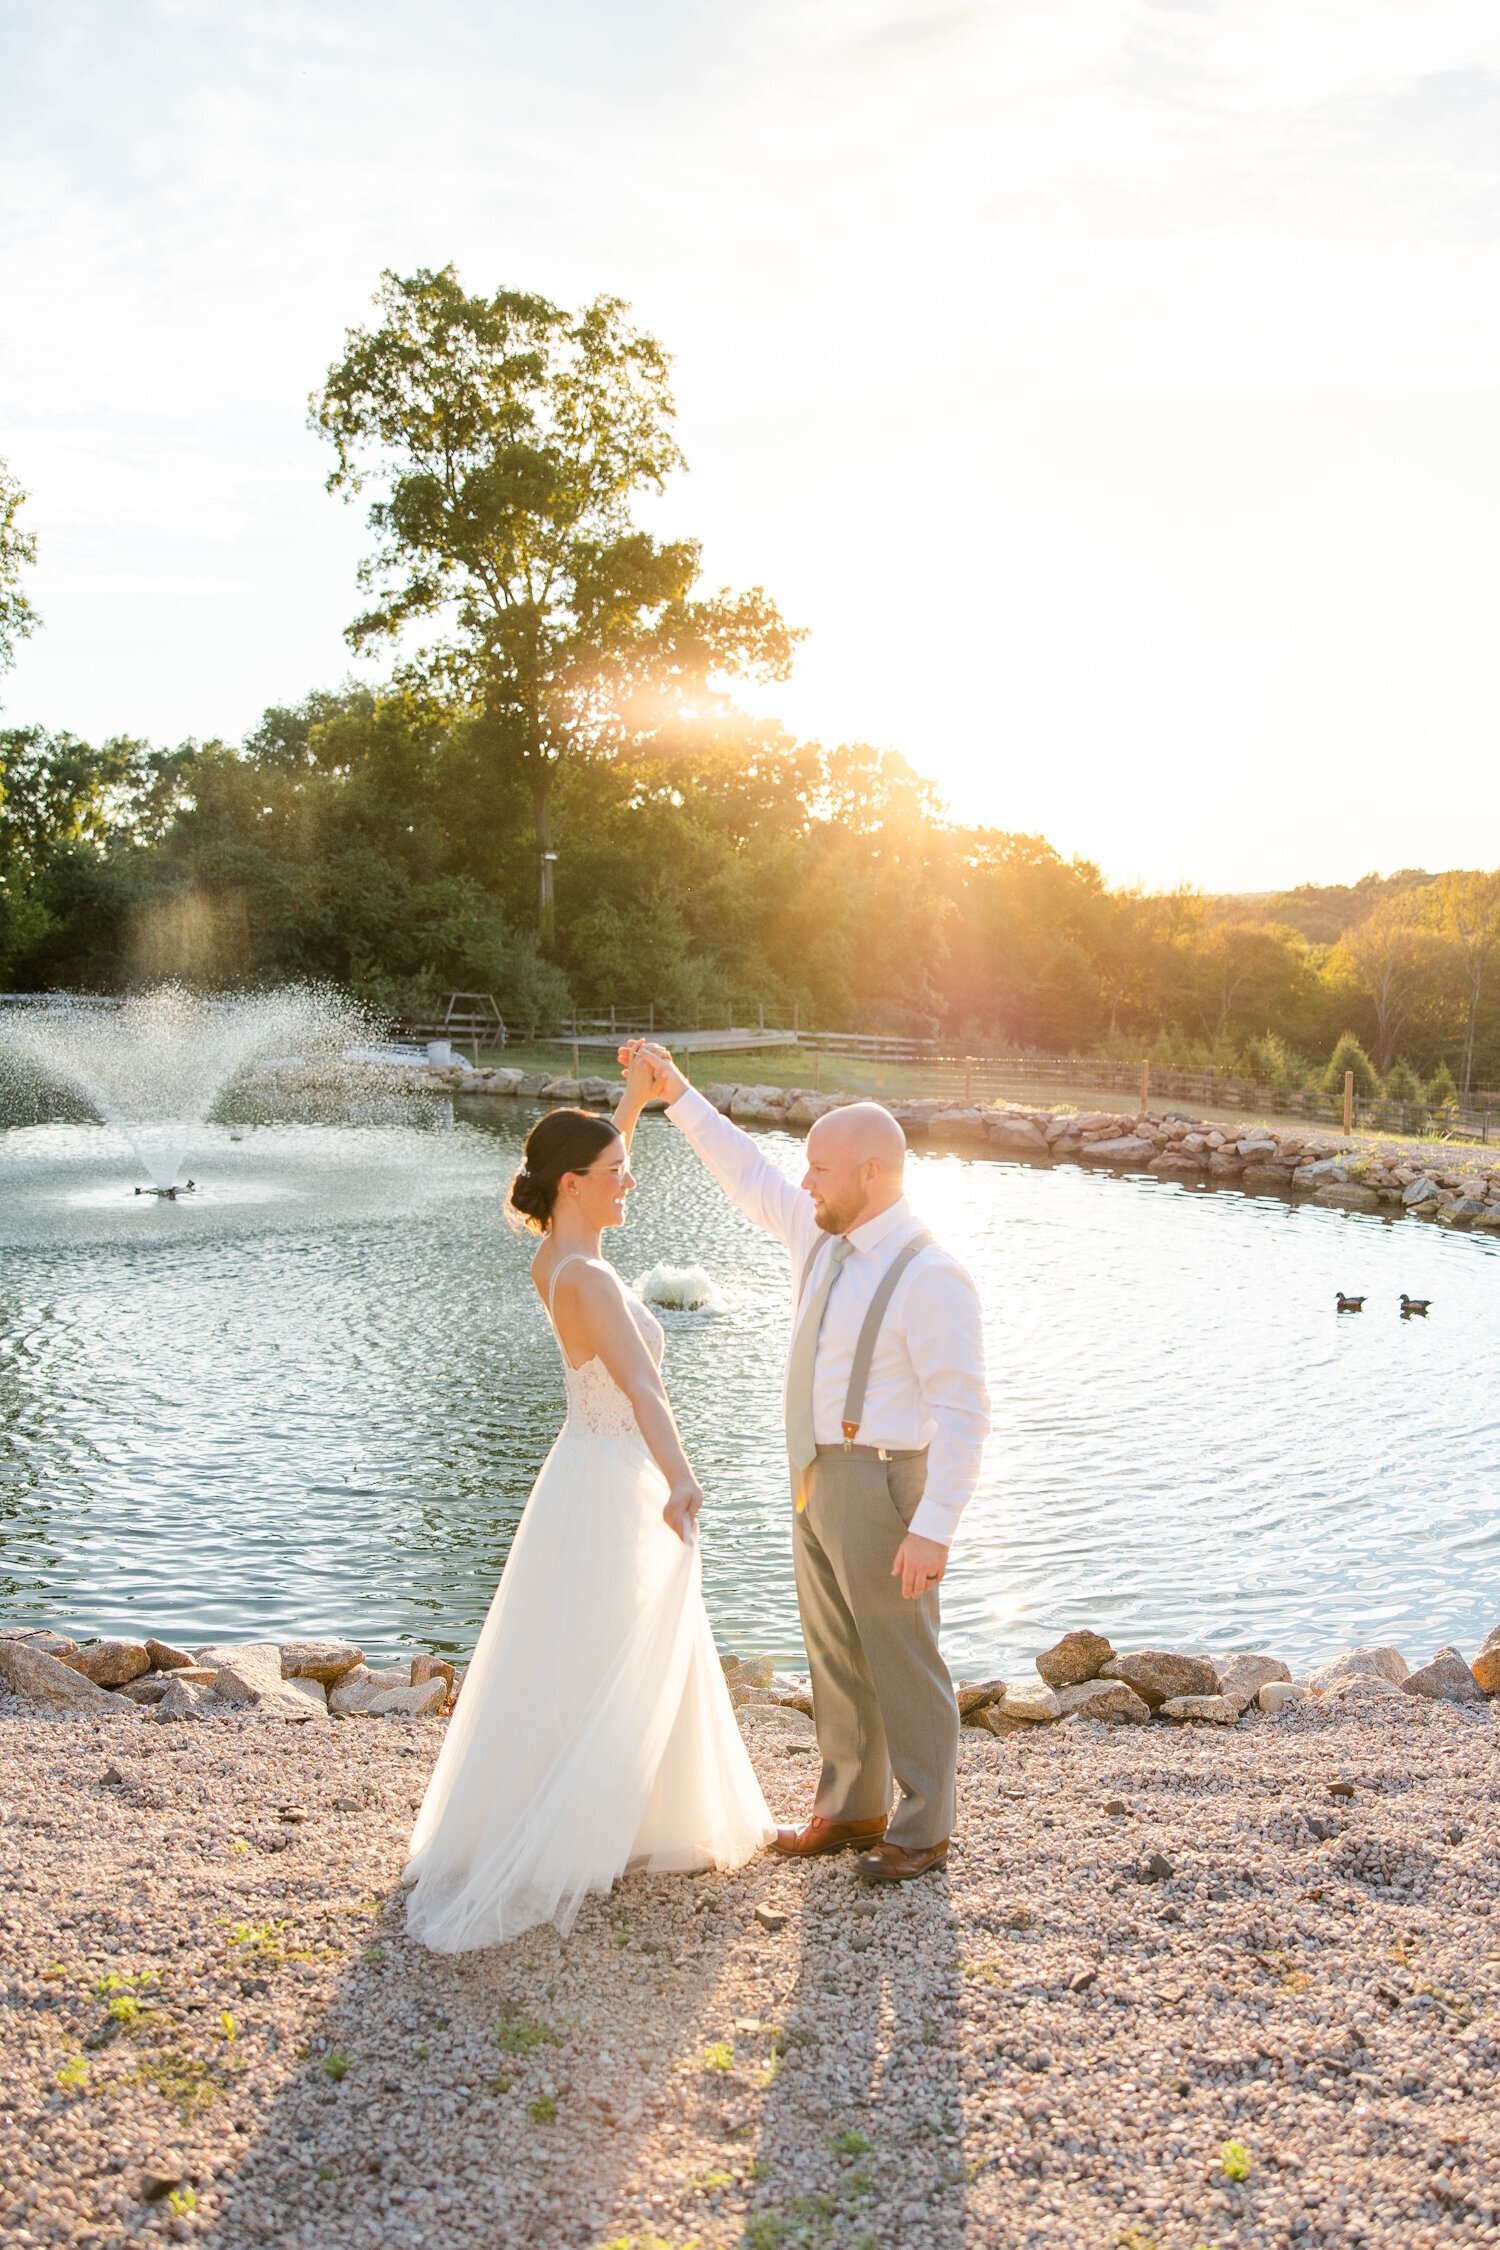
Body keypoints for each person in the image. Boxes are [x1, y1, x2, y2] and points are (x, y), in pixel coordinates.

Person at [403, 1048, 773, 1951]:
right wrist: (684, 1479)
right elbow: (647, 1392)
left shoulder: (557, 1262)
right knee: (616, 1645)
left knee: (575, 1646)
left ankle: (595, 1812)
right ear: (574, 1184)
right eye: (617, 1177)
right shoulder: (596, 1281)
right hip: (616, 1478)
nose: (630, 1183)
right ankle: (606, 1824)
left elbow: (591, 1171)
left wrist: (634, 1105)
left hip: (577, 1468)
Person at [630, 1043, 989, 1884]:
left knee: (901, 1654)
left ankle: (924, 1823)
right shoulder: (817, 1234)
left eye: (821, 1169)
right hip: (814, 1473)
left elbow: (967, 1418)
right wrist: (676, 1091)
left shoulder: (934, 1276)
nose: (807, 1182)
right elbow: (745, 1171)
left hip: (888, 1478)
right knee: (834, 1649)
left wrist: (933, 1530)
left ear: (875, 1172)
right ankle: (853, 1806)